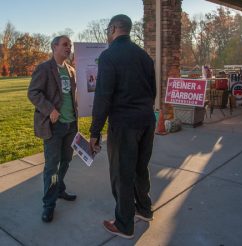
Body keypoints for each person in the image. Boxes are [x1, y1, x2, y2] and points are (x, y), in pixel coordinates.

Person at [89, 14, 156, 239]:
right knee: (140, 168)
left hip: (124, 124)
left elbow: (103, 97)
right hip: (146, 121)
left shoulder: (109, 56)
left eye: (109, 29)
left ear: (115, 28)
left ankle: (124, 224)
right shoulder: (145, 56)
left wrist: (95, 132)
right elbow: (152, 91)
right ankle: (144, 209)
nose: (108, 33)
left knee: (121, 173)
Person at [28, 35, 78, 223]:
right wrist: (50, 110)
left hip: (70, 125)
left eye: (70, 45)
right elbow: (33, 93)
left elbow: (72, 96)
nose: (68, 47)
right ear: (54, 47)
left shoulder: (71, 70)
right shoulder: (44, 69)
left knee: (66, 160)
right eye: (65, 44)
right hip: (54, 127)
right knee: (52, 166)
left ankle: (59, 189)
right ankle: (49, 204)